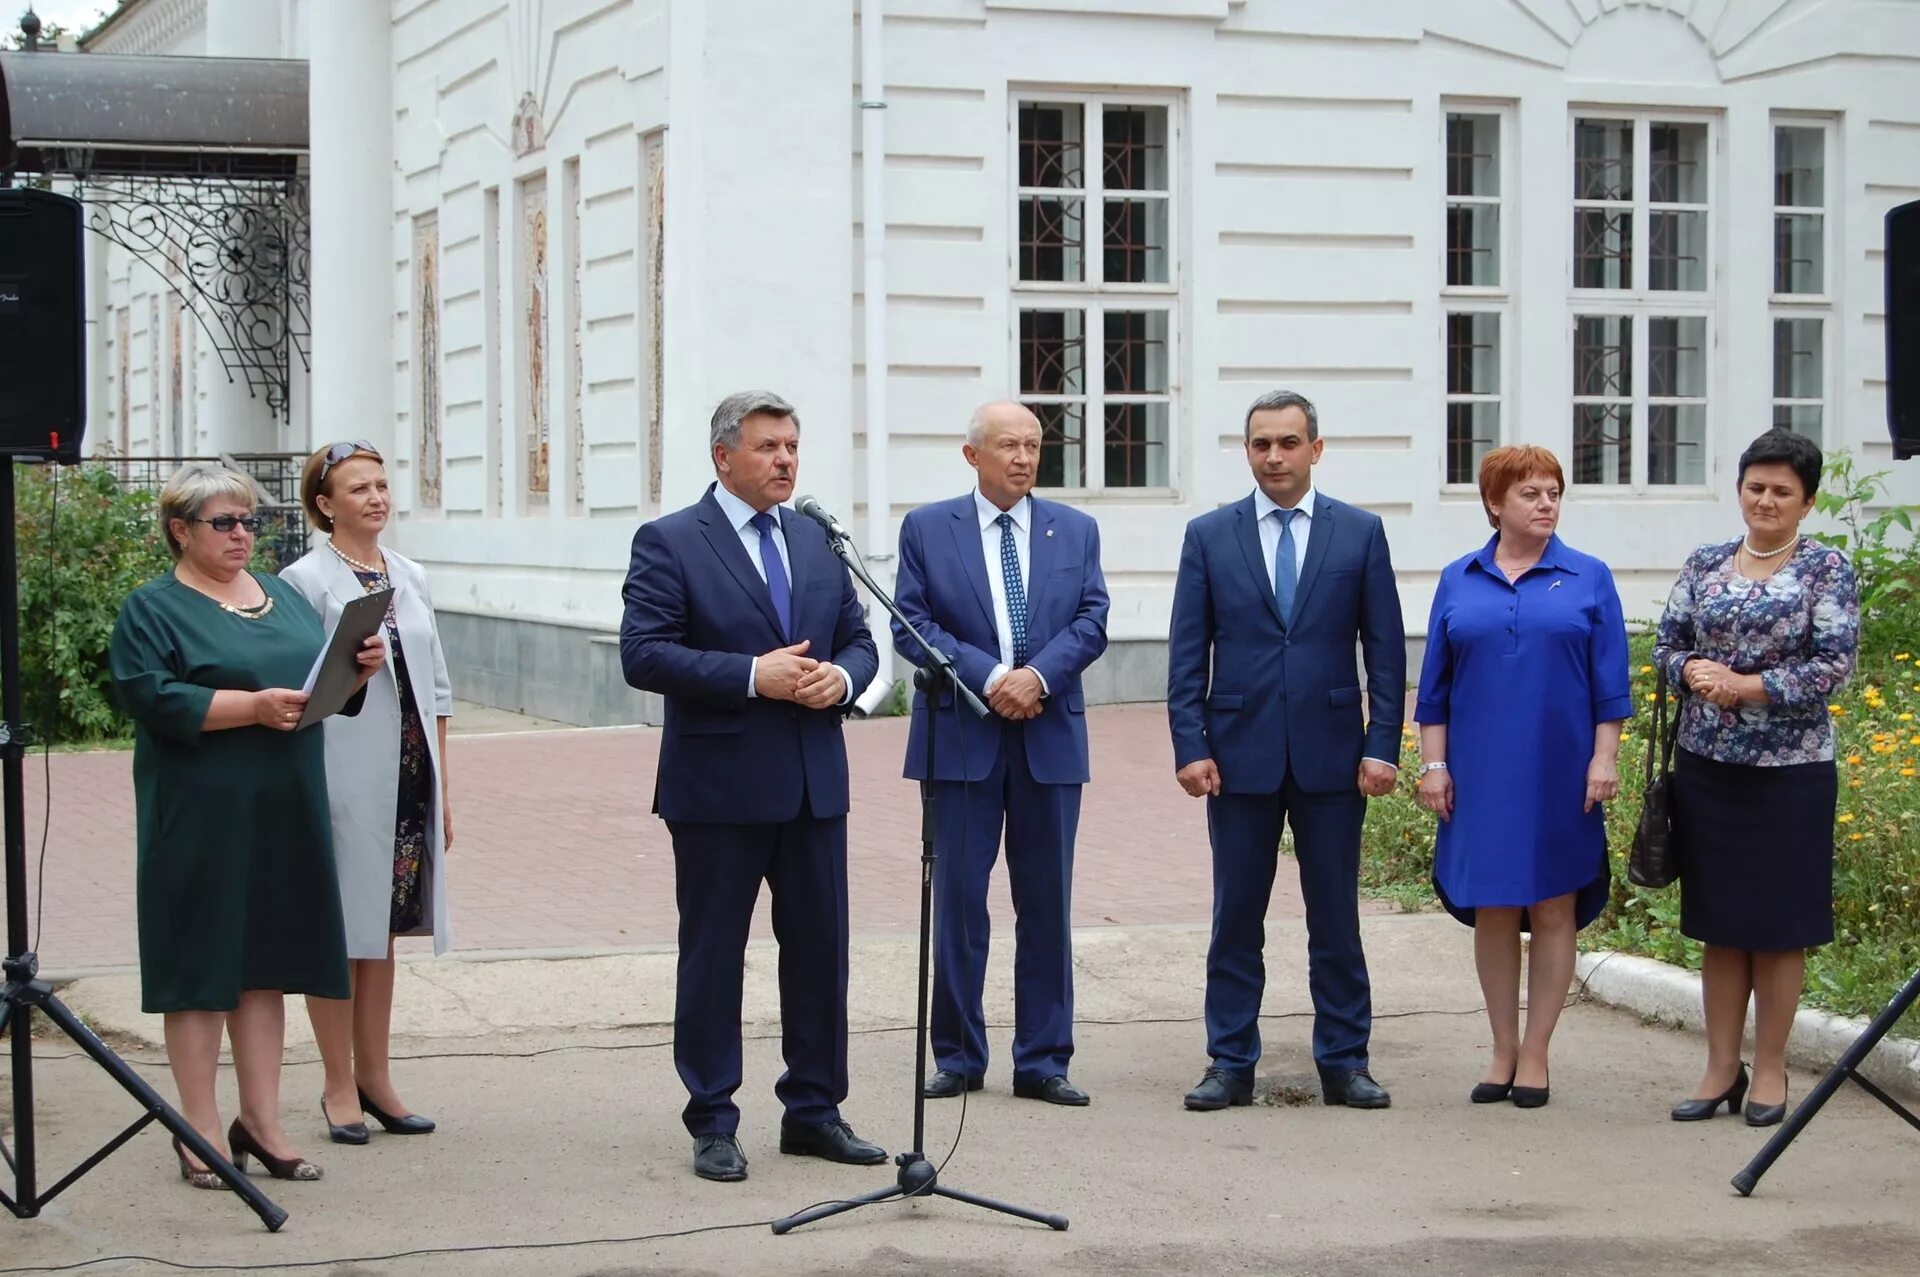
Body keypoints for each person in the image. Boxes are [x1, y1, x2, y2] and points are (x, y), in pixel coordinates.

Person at [620, 390, 884, 1183]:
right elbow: (644, 653)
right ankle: (713, 1118)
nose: (785, 461)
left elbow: (861, 641)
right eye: (769, 447)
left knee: (819, 953)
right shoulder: (671, 541)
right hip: (718, 789)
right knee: (713, 956)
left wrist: (840, 678)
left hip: (811, 784)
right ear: (723, 456)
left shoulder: (816, 538)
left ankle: (813, 1109)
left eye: (793, 447)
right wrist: (749, 675)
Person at [109, 464, 384, 1188]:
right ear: (180, 530)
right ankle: (195, 1124)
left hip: (285, 803)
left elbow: (314, 680)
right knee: (202, 967)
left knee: (265, 966)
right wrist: (250, 706)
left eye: (250, 523)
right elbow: (150, 695)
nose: (241, 536)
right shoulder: (154, 607)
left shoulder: (284, 596)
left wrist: (355, 673)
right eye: (224, 523)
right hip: (200, 809)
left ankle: (260, 1121)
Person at [1166, 389, 1406, 1112]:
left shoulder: (1359, 534)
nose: (1275, 456)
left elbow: (1385, 650)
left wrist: (1382, 745)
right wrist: (1190, 743)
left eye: (1289, 442)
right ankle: (1230, 1060)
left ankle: (1344, 1060)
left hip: (1334, 756)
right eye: (1262, 443)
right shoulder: (1210, 536)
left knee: (1335, 916)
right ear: (1247, 451)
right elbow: (1186, 652)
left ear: (1316, 449)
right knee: (1235, 916)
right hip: (1238, 756)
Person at [892, 401, 1111, 1107]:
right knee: (959, 902)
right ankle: (957, 1054)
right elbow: (911, 621)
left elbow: (1093, 617)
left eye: (1032, 446)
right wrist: (989, 677)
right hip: (961, 734)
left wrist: (1037, 676)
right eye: (1007, 445)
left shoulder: (1075, 529)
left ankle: (1044, 1058)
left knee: (1046, 901)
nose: (1022, 457)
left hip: (1049, 733)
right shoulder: (928, 528)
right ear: (972, 455)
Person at [1413, 446, 1630, 1109]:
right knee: (1495, 907)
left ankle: (1537, 1050)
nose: (1545, 503)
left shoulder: (1588, 577)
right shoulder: (1459, 578)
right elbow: (1434, 689)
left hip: (1562, 768)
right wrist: (1433, 764)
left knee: (1554, 904)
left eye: (1554, 492)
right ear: (1494, 503)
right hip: (1480, 771)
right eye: (1531, 492)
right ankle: (1502, 1046)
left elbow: (1611, 685)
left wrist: (1605, 756)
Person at [1653, 428, 1858, 1128]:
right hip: (1707, 766)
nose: (1765, 500)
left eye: (1781, 491)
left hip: (1790, 773)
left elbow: (1833, 665)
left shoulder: (1827, 569)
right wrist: (1693, 671)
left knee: (1777, 926)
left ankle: (1769, 1069)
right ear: (1739, 489)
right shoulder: (1707, 562)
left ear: (1807, 500)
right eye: (1755, 487)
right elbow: (1666, 643)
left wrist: (1750, 685)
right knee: (1719, 921)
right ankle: (1719, 1067)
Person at [282, 441, 452, 1145]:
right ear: (325, 504)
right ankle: (335, 1083)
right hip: (340, 773)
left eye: (382, 484)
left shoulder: (407, 574)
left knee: (380, 930)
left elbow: (438, 684)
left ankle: (377, 1075)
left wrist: (445, 786)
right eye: (359, 488)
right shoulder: (304, 580)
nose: (377, 498)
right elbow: (300, 684)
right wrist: (351, 666)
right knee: (338, 929)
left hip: (408, 773)